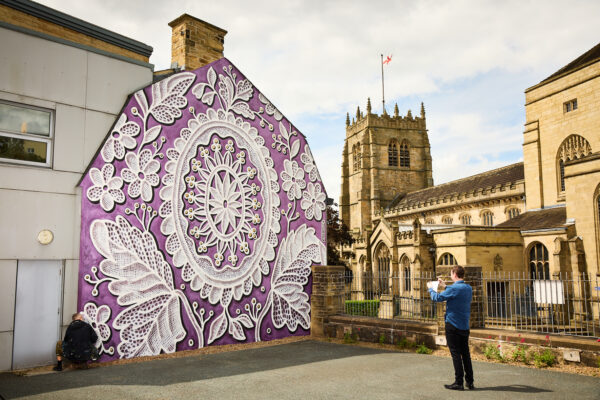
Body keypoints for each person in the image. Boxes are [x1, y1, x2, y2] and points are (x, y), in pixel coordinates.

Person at [428, 265, 474, 391]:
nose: (450, 275)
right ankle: (469, 382)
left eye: (451, 274)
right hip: (464, 325)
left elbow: (436, 298)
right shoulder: (468, 288)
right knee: (466, 354)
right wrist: (445, 286)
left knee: (455, 354)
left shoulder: (454, 289)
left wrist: (431, 288)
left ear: (454, 274)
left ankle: (458, 382)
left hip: (453, 325)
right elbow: (455, 291)